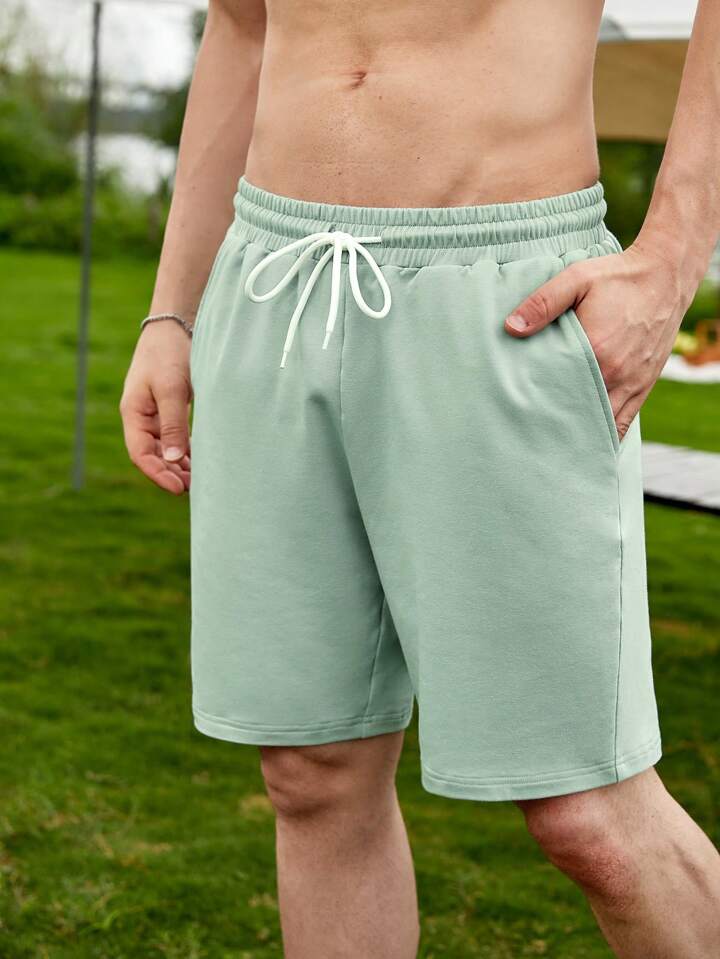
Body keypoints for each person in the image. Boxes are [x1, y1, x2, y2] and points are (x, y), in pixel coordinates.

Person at [120, 0, 720, 955]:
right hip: (273, 275)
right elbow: (241, 24)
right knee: (312, 771)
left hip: (508, 291)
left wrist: (671, 263)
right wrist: (173, 311)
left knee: (589, 812)